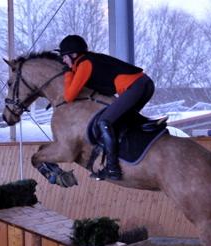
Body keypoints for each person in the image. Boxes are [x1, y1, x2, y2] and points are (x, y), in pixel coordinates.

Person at [58, 34, 155, 181]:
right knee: (119, 121)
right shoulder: (89, 61)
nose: (63, 61)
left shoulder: (85, 64)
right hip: (144, 84)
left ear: (74, 54)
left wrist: (67, 73)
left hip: (136, 86)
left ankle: (112, 168)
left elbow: (69, 96)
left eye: (65, 57)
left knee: (104, 122)